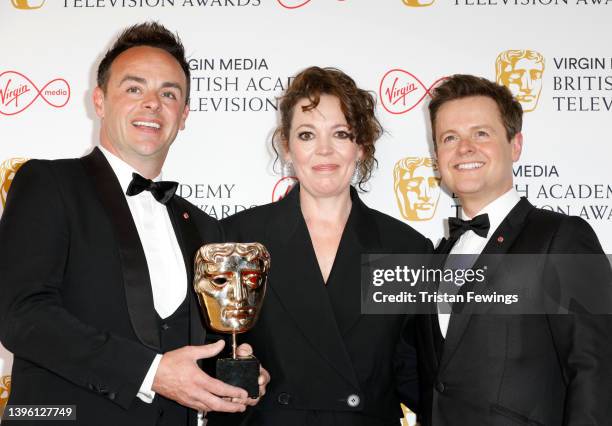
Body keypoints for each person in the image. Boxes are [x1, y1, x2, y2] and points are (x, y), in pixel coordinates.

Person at [0, 22, 268, 426]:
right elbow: (21, 316)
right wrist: (150, 373)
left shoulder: (205, 228)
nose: (152, 104)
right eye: (134, 88)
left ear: (184, 116)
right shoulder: (48, 184)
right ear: (100, 101)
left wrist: (232, 373)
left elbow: (192, 356)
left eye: (169, 93)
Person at [212, 66, 432, 426]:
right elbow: (211, 350)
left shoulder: (406, 248)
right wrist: (238, 371)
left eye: (341, 134)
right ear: (287, 145)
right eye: (307, 134)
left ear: (361, 146)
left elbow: (415, 371)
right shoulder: (237, 239)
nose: (324, 150)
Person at [412, 74, 612, 425]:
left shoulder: (564, 237)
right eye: (449, 138)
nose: (464, 148)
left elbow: (598, 370)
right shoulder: (438, 253)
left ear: (515, 145)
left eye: (481, 133)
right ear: (437, 155)